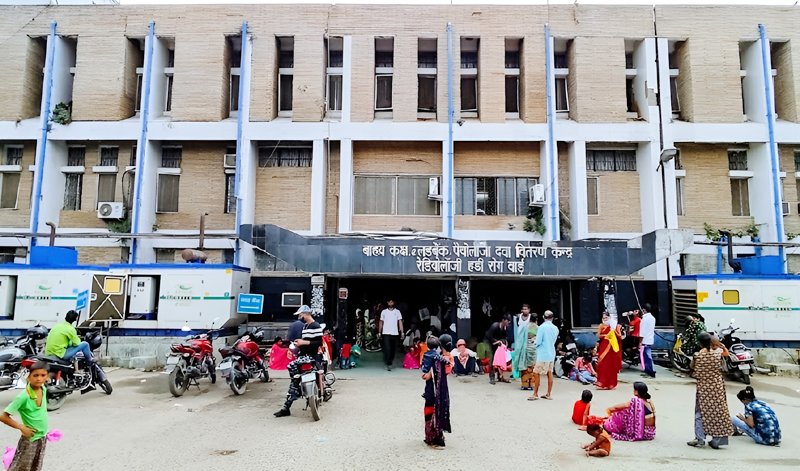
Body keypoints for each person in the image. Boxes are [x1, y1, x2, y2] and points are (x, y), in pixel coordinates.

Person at [274, 305, 324, 418]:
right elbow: (305, 340)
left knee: (308, 375)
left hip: (312, 356)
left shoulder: (316, 326)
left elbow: (319, 342)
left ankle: (290, 404)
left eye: (301, 315)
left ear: (306, 314)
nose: (300, 317)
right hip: (302, 355)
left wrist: (304, 343)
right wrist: (299, 342)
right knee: (294, 377)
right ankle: (287, 406)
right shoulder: (305, 326)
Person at [687, 332, 734, 448]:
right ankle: (717, 440)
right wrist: (722, 346)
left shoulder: (697, 355)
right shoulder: (718, 353)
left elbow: (691, 367)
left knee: (700, 413)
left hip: (703, 388)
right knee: (718, 412)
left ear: (700, 343)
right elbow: (726, 354)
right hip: (717, 387)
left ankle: (700, 438)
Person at [0, 360, 49, 471]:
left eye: (43, 375)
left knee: (36, 466)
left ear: (47, 377)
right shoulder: (23, 397)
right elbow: (3, 416)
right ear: (28, 377)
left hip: (42, 437)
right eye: (35, 375)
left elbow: (42, 410)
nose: (39, 379)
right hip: (30, 439)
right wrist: (21, 427)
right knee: (21, 467)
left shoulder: (43, 389)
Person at [420, 336, 451, 449]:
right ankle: (438, 435)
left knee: (430, 409)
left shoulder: (428, 356)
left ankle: (432, 437)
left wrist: (427, 372)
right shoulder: (440, 357)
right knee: (438, 410)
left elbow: (425, 373)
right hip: (440, 390)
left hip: (431, 389)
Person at [529, 310, 558, 400]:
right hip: (551, 353)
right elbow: (553, 341)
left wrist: (534, 342)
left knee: (536, 372)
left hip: (543, 354)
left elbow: (538, 341)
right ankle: (548, 394)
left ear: (543, 317)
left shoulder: (541, 327)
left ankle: (535, 394)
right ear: (552, 318)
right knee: (550, 373)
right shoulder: (555, 328)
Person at [595, 312, 623, 390]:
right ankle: (601, 383)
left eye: (606, 318)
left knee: (611, 365)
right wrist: (605, 336)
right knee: (602, 364)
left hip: (612, 349)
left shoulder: (615, 326)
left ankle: (611, 384)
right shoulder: (601, 326)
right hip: (603, 347)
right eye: (603, 318)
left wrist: (613, 332)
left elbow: (620, 336)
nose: (604, 319)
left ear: (609, 318)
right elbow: (598, 335)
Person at [378, 299, 404, 371]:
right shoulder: (384, 312)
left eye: (392, 302)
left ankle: (390, 361)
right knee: (387, 348)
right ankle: (388, 363)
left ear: (394, 303)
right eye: (389, 302)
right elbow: (381, 322)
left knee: (393, 349)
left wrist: (402, 332)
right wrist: (379, 332)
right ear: (387, 303)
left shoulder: (397, 312)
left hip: (395, 333)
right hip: (386, 333)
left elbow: (400, 322)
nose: (390, 303)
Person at [485, 316, 510, 384]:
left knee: (500, 359)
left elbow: (505, 337)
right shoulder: (495, 326)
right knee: (492, 359)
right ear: (503, 320)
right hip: (489, 342)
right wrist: (496, 341)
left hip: (498, 343)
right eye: (507, 321)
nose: (508, 323)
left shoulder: (505, 328)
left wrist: (504, 343)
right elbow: (489, 336)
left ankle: (500, 376)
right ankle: (492, 377)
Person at [511, 304, 533, 379]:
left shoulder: (531, 317)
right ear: (521, 310)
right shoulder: (518, 317)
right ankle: (515, 372)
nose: (525, 310)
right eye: (523, 309)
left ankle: (524, 371)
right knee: (517, 354)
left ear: (529, 310)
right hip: (519, 339)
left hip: (527, 339)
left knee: (525, 355)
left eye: (526, 309)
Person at [640, 304, 656, 378]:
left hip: (645, 340)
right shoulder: (653, 318)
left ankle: (651, 372)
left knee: (647, 357)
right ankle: (648, 371)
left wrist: (640, 342)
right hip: (650, 339)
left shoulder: (644, 319)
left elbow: (642, 332)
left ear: (644, 310)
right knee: (647, 356)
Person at [520, 325, 538, 390]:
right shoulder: (538, 328)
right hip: (534, 350)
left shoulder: (525, 326)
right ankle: (532, 384)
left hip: (525, 349)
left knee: (525, 368)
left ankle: (525, 384)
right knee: (533, 368)